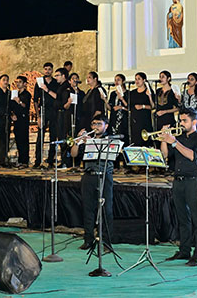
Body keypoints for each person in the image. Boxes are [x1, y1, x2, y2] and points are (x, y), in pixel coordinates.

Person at [160, 108, 197, 266]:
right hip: (178, 181)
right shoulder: (179, 137)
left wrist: (174, 142)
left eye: (184, 121)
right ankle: (184, 250)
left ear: (194, 122)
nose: (181, 123)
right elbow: (165, 155)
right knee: (182, 219)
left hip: (192, 181)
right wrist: (164, 139)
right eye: (180, 120)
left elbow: (193, 156)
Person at [71, 114, 114, 250]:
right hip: (89, 176)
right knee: (88, 209)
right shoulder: (87, 140)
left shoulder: (110, 139)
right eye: (94, 124)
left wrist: (92, 142)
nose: (96, 127)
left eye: (99, 124)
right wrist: (77, 142)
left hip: (105, 176)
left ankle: (106, 241)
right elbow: (73, 154)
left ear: (106, 126)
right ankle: (88, 239)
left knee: (106, 210)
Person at [39, 67, 71, 168]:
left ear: (63, 76)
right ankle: (63, 160)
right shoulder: (60, 86)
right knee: (59, 136)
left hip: (63, 114)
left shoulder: (66, 87)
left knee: (63, 137)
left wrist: (47, 90)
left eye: (57, 75)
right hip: (58, 114)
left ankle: (65, 161)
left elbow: (60, 99)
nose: (56, 77)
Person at [33, 62, 59, 168]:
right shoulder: (39, 82)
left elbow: (58, 97)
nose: (47, 71)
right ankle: (38, 161)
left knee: (53, 136)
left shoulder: (55, 83)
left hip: (53, 111)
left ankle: (51, 160)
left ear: (52, 70)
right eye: (45, 69)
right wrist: (38, 116)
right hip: (43, 110)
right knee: (40, 136)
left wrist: (47, 90)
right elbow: (35, 100)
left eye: (49, 69)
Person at [108, 74, 129, 169]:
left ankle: (125, 164)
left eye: (118, 80)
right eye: (115, 80)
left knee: (124, 141)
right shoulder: (113, 94)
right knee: (113, 142)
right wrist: (105, 100)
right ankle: (114, 165)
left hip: (123, 120)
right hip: (114, 120)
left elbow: (129, 108)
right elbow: (110, 108)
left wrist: (122, 102)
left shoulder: (128, 93)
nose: (116, 82)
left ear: (123, 81)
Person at [10, 76, 31, 168]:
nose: (18, 84)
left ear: (25, 84)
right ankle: (20, 160)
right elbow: (11, 106)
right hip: (16, 119)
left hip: (23, 119)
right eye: (17, 82)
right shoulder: (15, 94)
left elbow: (25, 106)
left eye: (20, 82)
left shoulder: (27, 94)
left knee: (24, 140)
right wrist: (12, 115)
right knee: (18, 140)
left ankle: (25, 161)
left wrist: (19, 101)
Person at [79, 71, 107, 138]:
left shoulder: (99, 89)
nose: (87, 79)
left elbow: (100, 104)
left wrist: (94, 118)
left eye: (89, 77)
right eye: (87, 78)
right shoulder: (89, 91)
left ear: (95, 79)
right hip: (87, 117)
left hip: (94, 117)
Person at [130, 72, 154, 147]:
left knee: (145, 141)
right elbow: (129, 106)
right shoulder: (132, 93)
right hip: (134, 121)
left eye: (139, 79)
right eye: (136, 79)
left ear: (144, 80)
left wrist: (143, 106)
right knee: (135, 141)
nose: (137, 81)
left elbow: (153, 106)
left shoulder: (148, 91)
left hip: (144, 120)